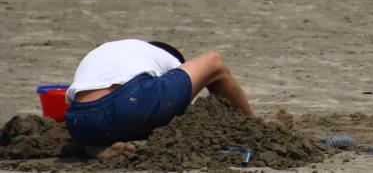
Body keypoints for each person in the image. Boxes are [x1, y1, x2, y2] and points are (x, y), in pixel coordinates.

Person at [64, 39, 253, 153]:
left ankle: (94, 145)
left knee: (128, 117)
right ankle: (253, 127)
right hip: (130, 104)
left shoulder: (119, 51)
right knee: (213, 62)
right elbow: (177, 109)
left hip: (80, 123)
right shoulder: (168, 60)